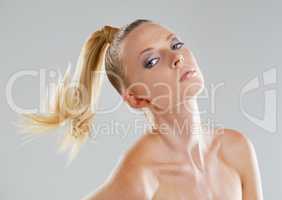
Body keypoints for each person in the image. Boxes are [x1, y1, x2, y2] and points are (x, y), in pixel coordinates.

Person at [22, 19, 264, 199]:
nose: (177, 57)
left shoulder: (237, 148)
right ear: (137, 98)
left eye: (176, 44)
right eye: (152, 61)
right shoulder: (141, 174)